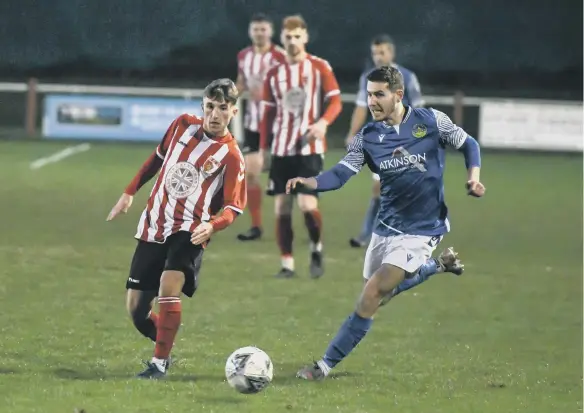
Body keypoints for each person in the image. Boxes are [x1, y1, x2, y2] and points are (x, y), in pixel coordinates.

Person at [286, 66, 485, 380]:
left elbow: (469, 144)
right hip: (386, 227)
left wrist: (473, 179)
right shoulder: (368, 137)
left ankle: (323, 366)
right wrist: (309, 181)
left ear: (398, 95)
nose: (372, 101)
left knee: (373, 293)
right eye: (368, 95)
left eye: (379, 94)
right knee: (380, 293)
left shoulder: (431, 121)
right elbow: (340, 174)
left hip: (423, 229)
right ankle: (437, 266)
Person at [106, 78, 247, 379]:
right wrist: (129, 192)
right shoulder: (181, 125)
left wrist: (212, 225)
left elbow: (234, 207)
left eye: (223, 108)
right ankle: (165, 345)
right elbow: (155, 160)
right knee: (136, 310)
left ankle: (158, 365)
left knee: (169, 287)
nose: (215, 115)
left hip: (190, 230)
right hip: (155, 223)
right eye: (210, 106)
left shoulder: (231, 155)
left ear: (233, 111)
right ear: (202, 106)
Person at [260, 14, 342, 279]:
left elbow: (336, 102)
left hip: (309, 151)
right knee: (282, 208)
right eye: (288, 37)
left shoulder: (319, 67)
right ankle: (287, 265)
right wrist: (264, 149)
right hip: (282, 151)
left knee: (307, 206)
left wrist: (322, 124)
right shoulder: (273, 74)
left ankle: (316, 248)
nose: (293, 41)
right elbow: (267, 116)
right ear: (281, 39)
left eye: (297, 36)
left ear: (305, 37)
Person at [347, 34, 424, 248]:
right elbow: (362, 107)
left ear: (391, 53)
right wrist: (352, 133)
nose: (378, 57)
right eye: (375, 53)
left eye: (382, 52)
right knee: (379, 187)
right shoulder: (368, 78)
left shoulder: (407, 77)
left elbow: (419, 109)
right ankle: (368, 233)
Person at [235, 13, 286, 242]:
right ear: (250, 32)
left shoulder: (280, 56)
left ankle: (293, 220)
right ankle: (256, 226)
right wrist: (230, 96)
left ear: (271, 32)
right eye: (255, 29)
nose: (259, 33)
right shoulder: (244, 56)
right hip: (254, 124)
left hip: (281, 124)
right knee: (250, 173)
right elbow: (241, 82)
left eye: (263, 29)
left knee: (287, 178)